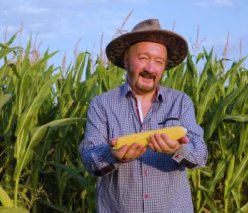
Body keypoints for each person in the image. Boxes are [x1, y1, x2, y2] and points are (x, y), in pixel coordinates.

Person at [79, 18, 208, 213]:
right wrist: (111, 155)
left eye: (158, 61)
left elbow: (200, 155)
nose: (150, 68)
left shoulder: (180, 102)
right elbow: (90, 159)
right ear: (126, 60)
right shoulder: (102, 105)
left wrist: (179, 149)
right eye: (143, 58)